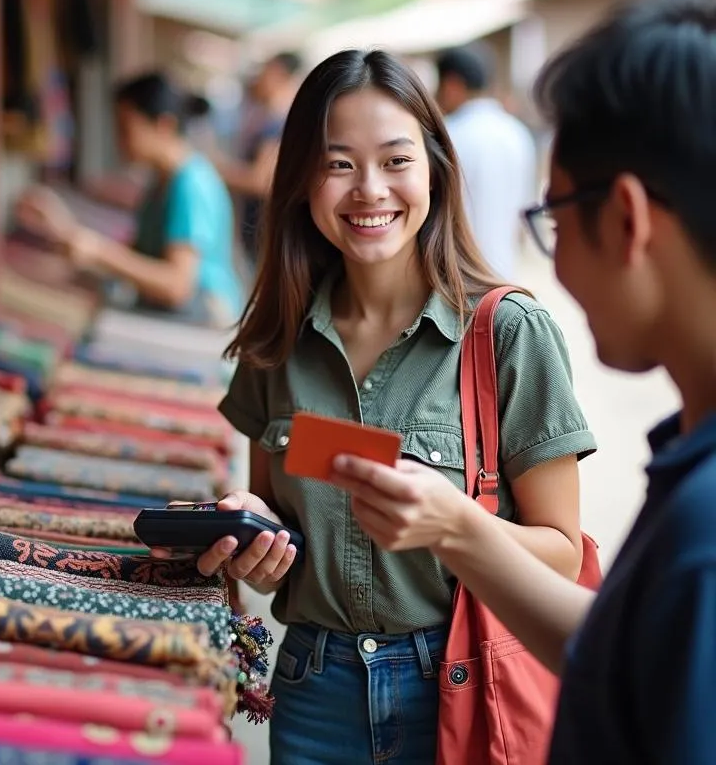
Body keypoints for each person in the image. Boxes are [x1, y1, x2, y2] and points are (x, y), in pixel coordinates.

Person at [330, 0, 716, 764]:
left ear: (628, 219)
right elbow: (619, 653)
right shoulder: (690, 467)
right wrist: (457, 526)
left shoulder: (704, 528)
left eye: (556, 219)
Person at [188, 49, 596, 764]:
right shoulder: (275, 342)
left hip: (464, 685)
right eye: (339, 163)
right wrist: (255, 545)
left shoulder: (506, 333)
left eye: (396, 160)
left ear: (436, 169)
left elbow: (561, 557)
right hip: (313, 688)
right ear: (301, 181)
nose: (369, 190)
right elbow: (278, 525)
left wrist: (453, 527)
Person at [19, 71, 242, 327]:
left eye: (125, 129)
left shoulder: (191, 184)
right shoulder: (162, 181)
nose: (119, 140)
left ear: (163, 126)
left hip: (208, 317)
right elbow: (136, 259)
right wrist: (69, 234)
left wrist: (97, 250)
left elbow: (177, 286)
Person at [436, 44, 537, 278]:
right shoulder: (517, 133)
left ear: (451, 85)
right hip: (504, 273)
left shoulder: (448, 136)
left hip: (456, 274)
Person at [209, 51, 302, 262]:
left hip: (268, 233)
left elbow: (259, 180)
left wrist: (208, 168)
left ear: (279, 74)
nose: (258, 77)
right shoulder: (271, 118)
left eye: (265, 70)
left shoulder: (279, 121)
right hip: (260, 232)